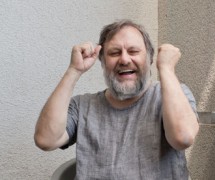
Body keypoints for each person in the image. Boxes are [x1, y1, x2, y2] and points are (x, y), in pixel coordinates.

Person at [34, 19, 199, 179]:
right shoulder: (82, 106)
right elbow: (46, 140)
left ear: (149, 58)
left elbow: (183, 138)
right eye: (114, 53)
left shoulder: (173, 95)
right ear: (103, 62)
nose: (125, 59)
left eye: (133, 51)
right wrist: (74, 70)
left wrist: (167, 69)